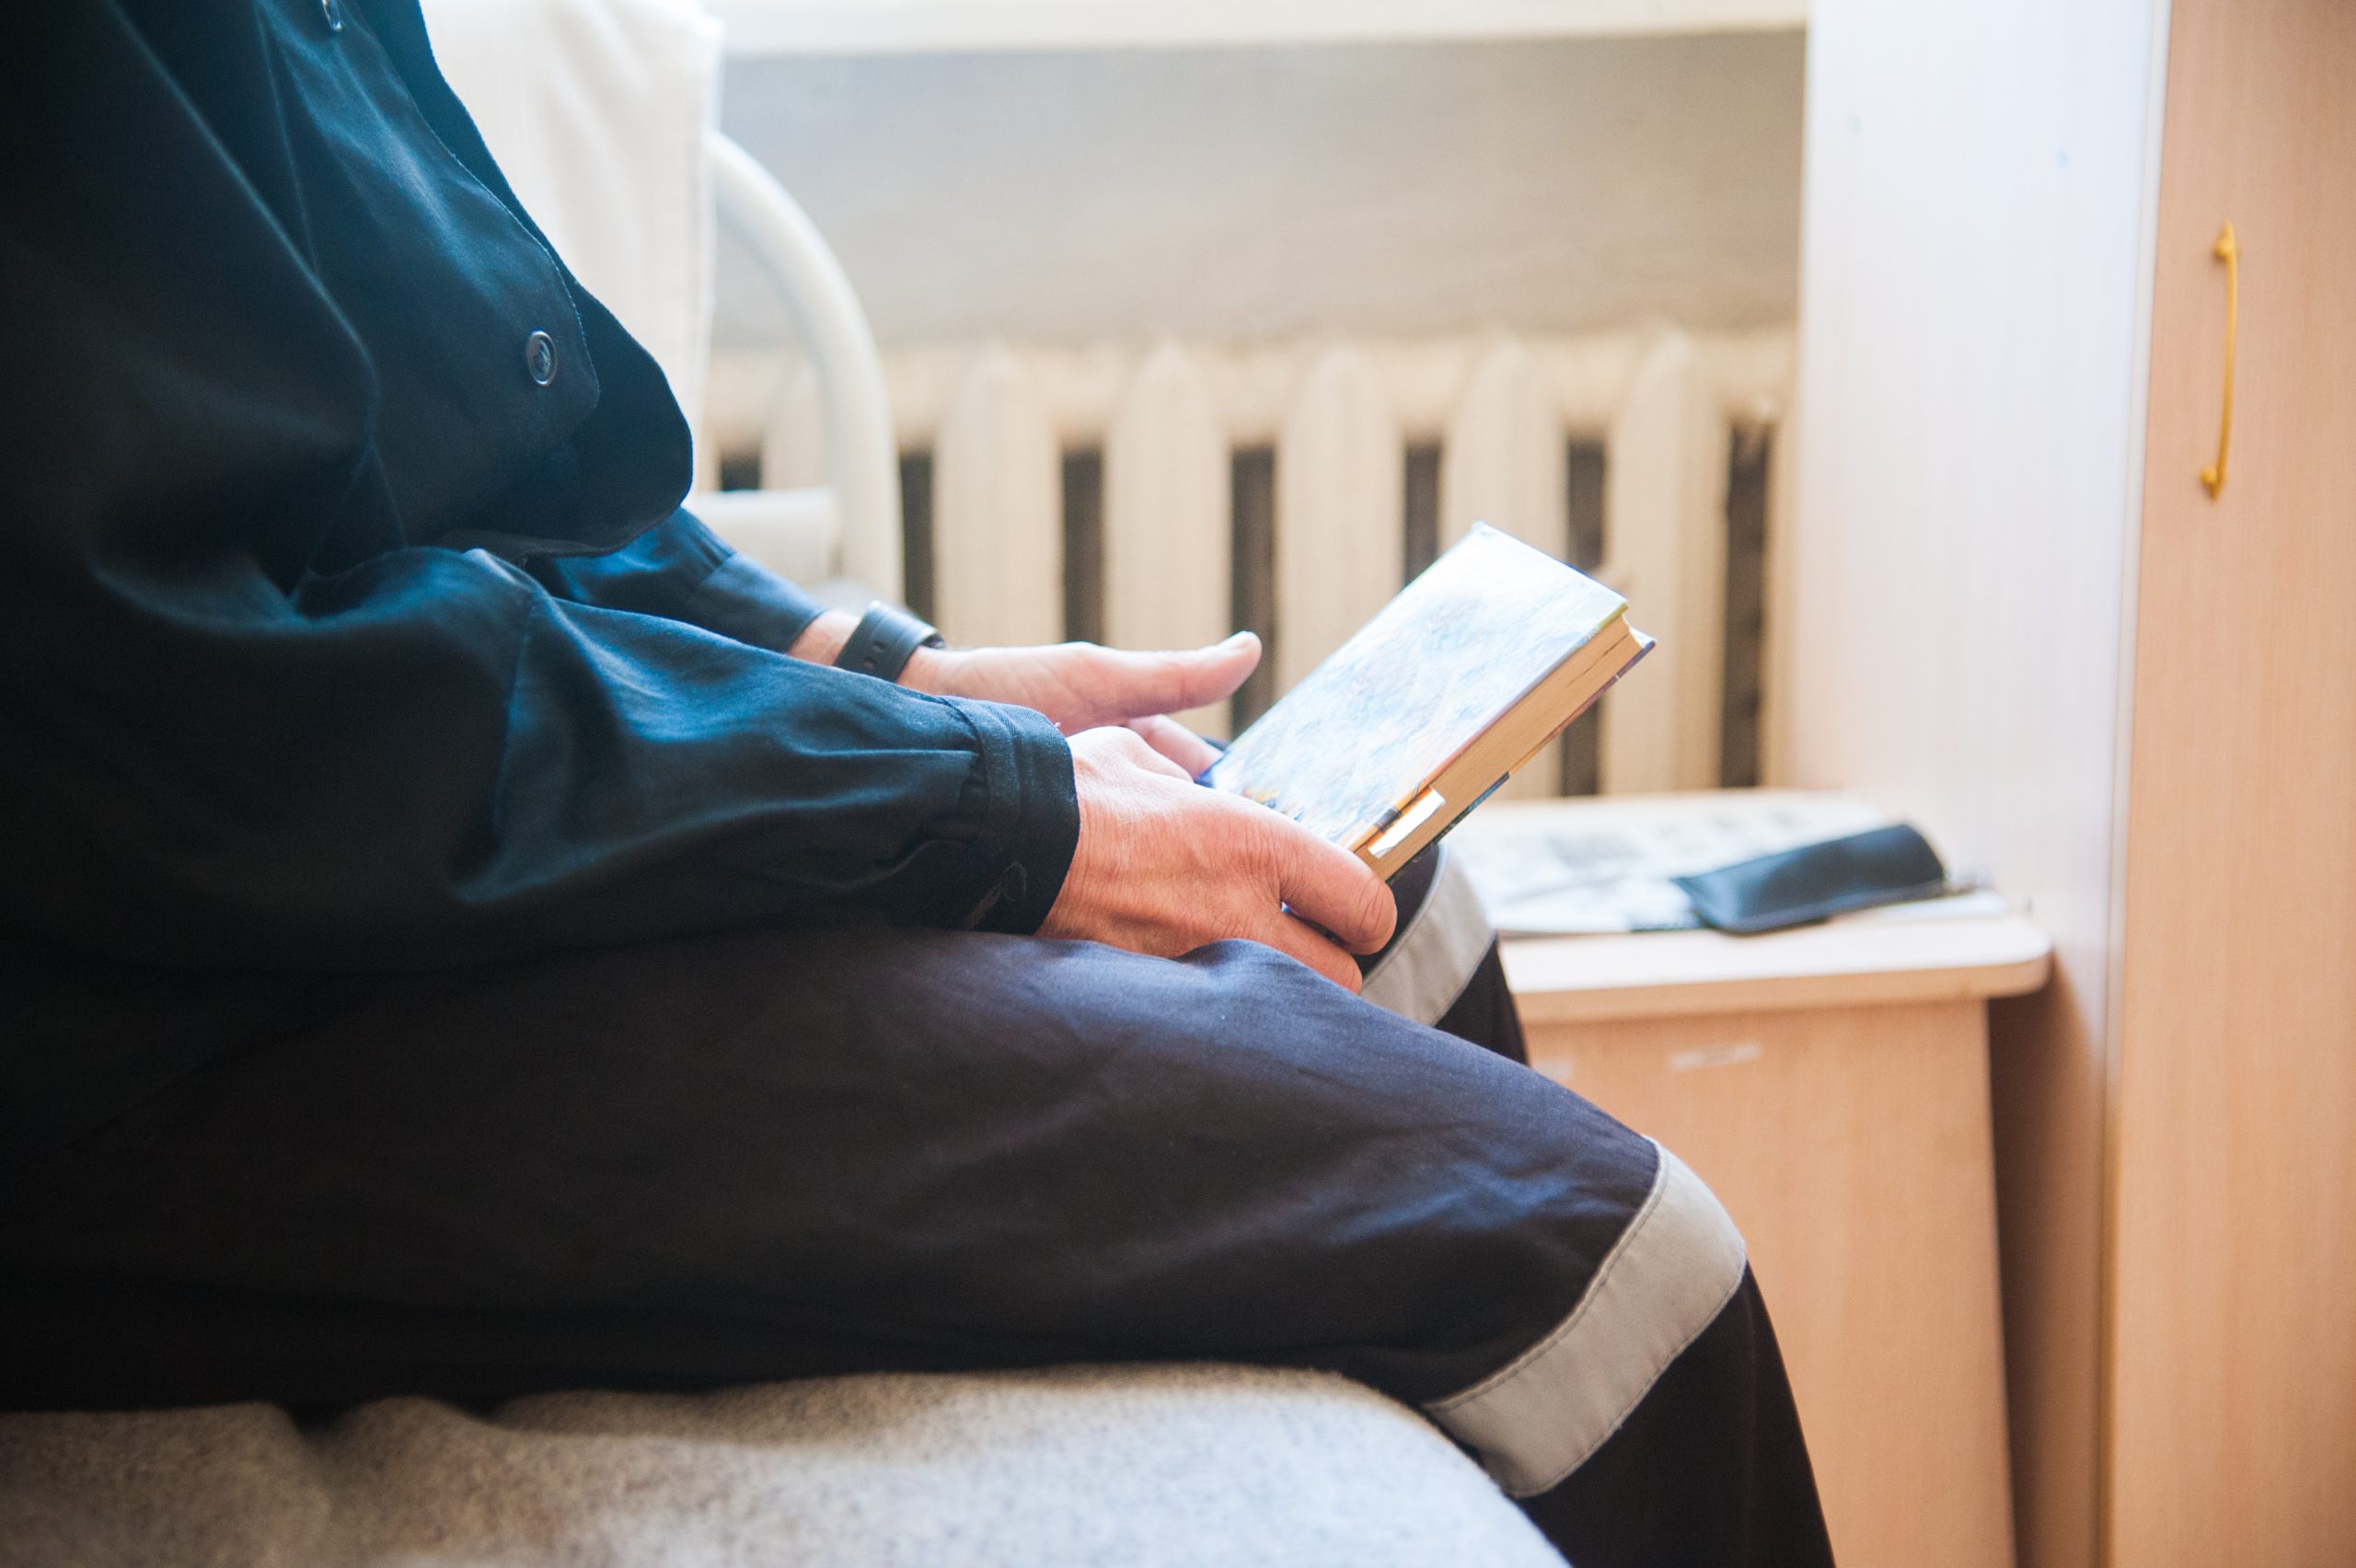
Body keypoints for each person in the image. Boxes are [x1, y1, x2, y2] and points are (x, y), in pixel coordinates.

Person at [0, 3, 1834, 1562]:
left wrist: (895, 677)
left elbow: (467, 491)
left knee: (1379, 897)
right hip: (171, 1019)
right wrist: (985, 806)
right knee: (1605, 1250)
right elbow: (221, 711)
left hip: (357, 861)